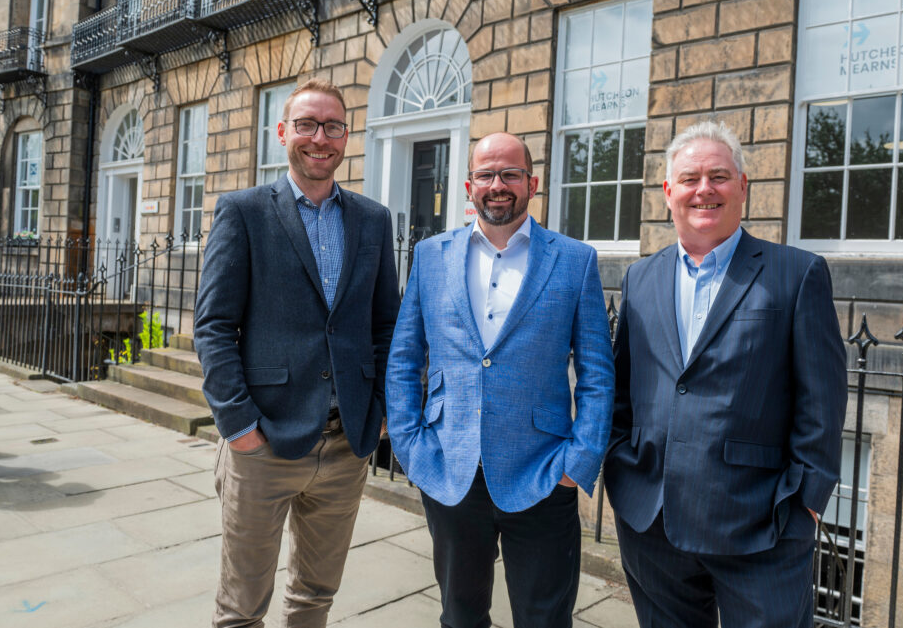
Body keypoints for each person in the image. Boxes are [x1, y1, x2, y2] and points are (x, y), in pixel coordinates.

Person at [603, 121, 847, 628]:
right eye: (689, 178)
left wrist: (806, 507)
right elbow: (623, 385)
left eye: (718, 176)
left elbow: (821, 400)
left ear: (743, 187)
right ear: (668, 192)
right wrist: (619, 466)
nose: (704, 189)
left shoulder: (797, 273)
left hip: (760, 526)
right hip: (653, 520)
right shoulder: (641, 276)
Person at [385, 132, 614, 628]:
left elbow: (598, 373)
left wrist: (580, 459)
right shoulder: (430, 256)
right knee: (460, 617)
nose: (498, 185)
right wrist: (409, 445)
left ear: (531, 183)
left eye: (510, 174)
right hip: (450, 471)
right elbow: (405, 356)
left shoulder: (574, 260)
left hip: (544, 472)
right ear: (469, 185)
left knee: (545, 619)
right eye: (487, 175)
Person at [194, 78, 400, 628]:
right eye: (307, 124)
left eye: (333, 126)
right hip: (264, 441)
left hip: (345, 445)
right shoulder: (243, 211)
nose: (320, 137)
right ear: (282, 132)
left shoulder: (373, 220)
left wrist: (377, 412)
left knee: (314, 597)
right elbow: (213, 326)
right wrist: (238, 424)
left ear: (346, 137)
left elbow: (386, 326)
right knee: (241, 608)